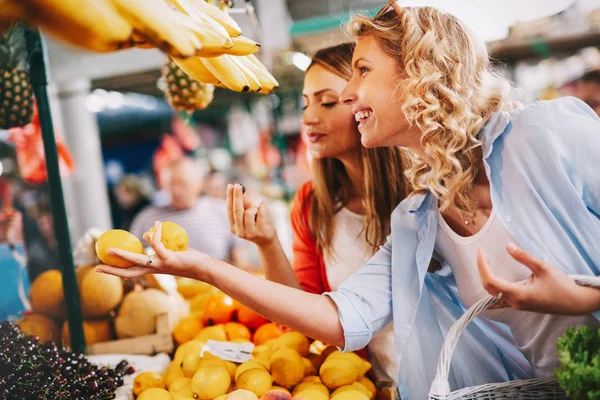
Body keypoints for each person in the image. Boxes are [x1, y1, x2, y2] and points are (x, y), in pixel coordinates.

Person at [97, 3, 600, 399]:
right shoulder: (418, 220)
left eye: (362, 70)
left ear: (420, 73)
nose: (352, 92)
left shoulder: (544, 135)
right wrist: (204, 268)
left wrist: (584, 298)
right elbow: (342, 321)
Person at [226, 43, 407, 386]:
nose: (308, 118)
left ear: (366, 101)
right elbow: (301, 320)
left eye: (327, 102)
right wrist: (267, 244)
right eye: (306, 103)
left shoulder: (425, 192)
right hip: (376, 388)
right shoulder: (313, 205)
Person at [129, 156, 247, 265]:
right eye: (171, 185)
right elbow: (134, 258)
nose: (177, 191)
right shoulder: (146, 219)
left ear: (200, 182)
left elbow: (239, 259)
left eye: (183, 183)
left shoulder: (223, 211)